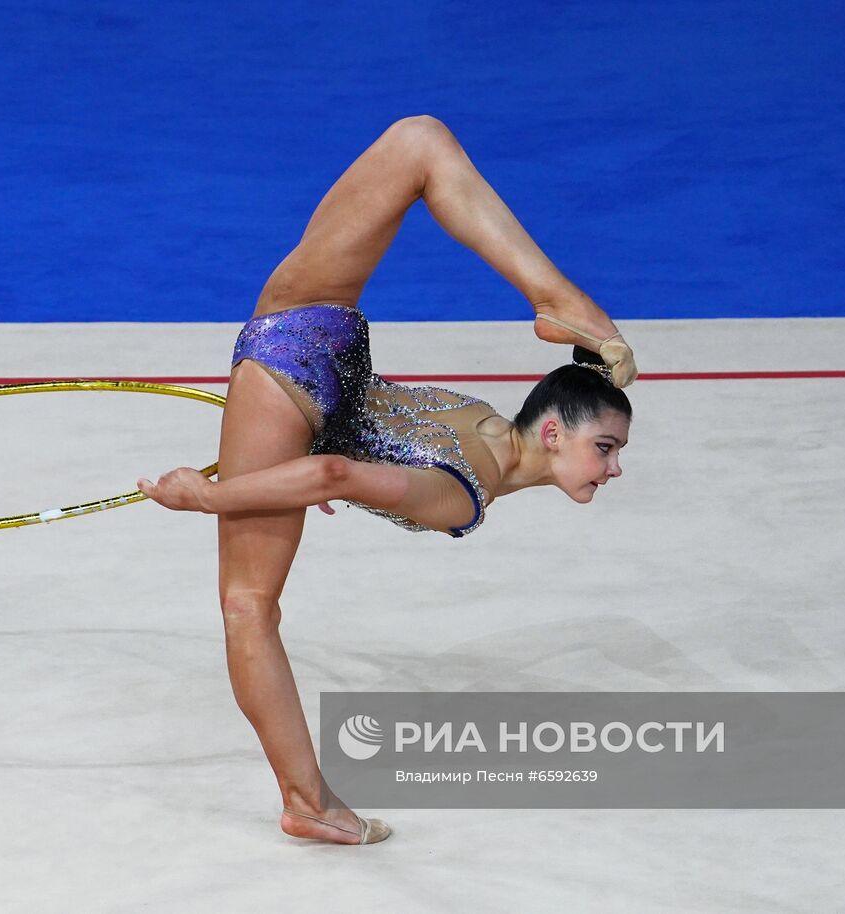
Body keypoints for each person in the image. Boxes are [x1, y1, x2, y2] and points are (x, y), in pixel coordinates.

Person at [136, 116, 636, 845]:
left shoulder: (491, 420)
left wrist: (326, 462)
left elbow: (359, 446)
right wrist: (204, 496)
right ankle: (305, 801)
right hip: (297, 378)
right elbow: (334, 471)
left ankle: (560, 298)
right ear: (553, 432)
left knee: (420, 141)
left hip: (323, 352)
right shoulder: (466, 496)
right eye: (607, 447)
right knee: (248, 607)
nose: (616, 468)